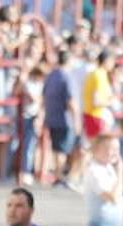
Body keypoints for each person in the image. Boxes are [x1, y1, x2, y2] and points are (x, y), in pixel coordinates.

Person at [43, 50, 80, 187]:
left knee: (56, 148)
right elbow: (71, 101)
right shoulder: (67, 77)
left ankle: (58, 175)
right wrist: (77, 121)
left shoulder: (51, 75)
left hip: (52, 117)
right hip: (65, 119)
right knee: (63, 150)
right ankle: (60, 177)